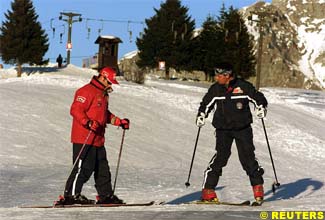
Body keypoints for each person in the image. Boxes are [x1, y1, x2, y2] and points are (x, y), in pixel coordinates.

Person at [56, 67, 130, 205]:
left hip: (98, 139)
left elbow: (104, 114)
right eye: (109, 82)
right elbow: (75, 109)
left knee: (102, 169)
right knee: (83, 168)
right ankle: (71, 196)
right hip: (84, 137)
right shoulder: (86, 91)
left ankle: (106, 195)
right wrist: (87, 122)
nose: (110, 85)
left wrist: (119, 122)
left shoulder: (102, 94)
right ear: (102, 77)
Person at [196, 65, 267, 204]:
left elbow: (259, 97)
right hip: (223, 129)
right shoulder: (216, 89)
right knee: (221, 158)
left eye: (219, 75)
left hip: (243, 128)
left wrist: (261, 107)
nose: (216, 78)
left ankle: (258, 187)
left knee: (247, 157)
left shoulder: (243, 86)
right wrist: (201, 115)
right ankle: (208, 190)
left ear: (227, 75)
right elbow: (206, 103)